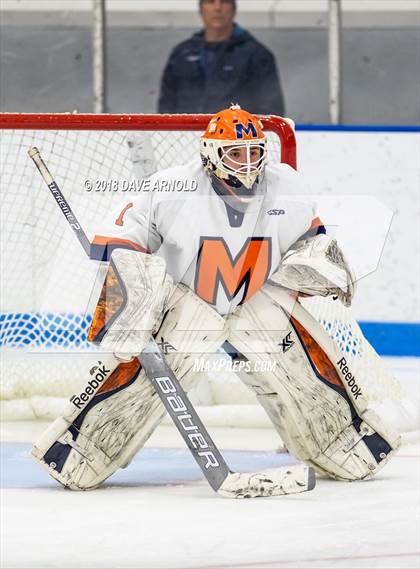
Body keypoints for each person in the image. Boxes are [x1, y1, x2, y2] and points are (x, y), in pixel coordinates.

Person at [32, 106, 400, 492]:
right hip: (189, 306)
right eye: (234, 154)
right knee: (135, 385)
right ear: (210, 154)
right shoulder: (171, 188)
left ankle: (348, 444)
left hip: (257, 301)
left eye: (254, 152)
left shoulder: (286, 187)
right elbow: (118, 243)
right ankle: (76, 452)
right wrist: (135, 299)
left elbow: (310, 239)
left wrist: (317, 262)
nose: (247, 163)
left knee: (306, 378)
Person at [158, 0, 285, 116]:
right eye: (210, 1)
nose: (217, 8)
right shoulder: (182, 54)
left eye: (224, 1)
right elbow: (166, 107)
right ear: (201, 9)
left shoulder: (256, 55)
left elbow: (271, 111)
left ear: (234, 9)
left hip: (237, 138)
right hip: (185, 137)